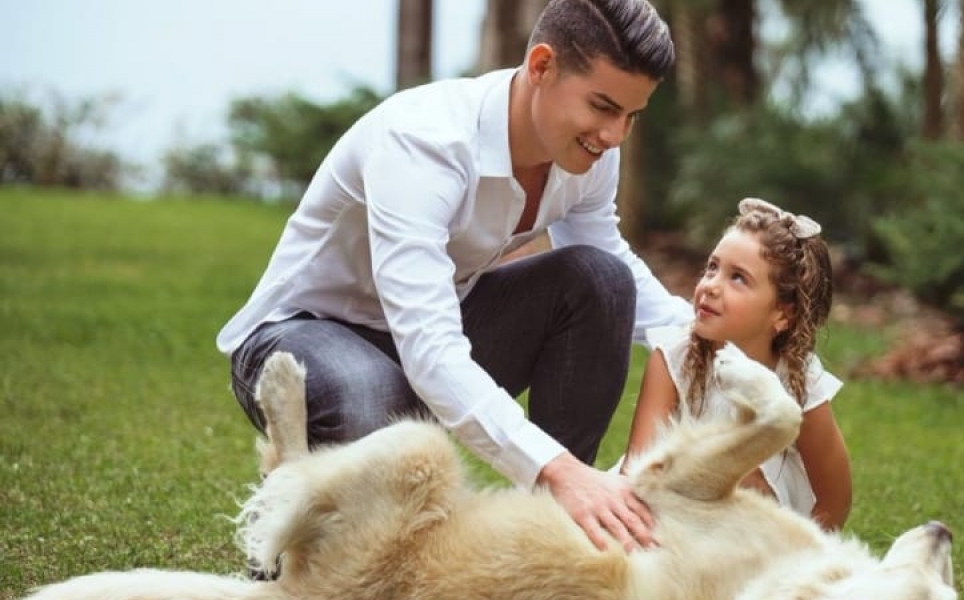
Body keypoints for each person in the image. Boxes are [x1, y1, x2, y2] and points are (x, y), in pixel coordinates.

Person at [216, 0, 692, 554]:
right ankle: (289, 540)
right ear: (541, 67)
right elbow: (430, 349)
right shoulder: (423, 143)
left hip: (430, 330)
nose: (615, 136)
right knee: (371, 395)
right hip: (302, 337)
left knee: (602, 281)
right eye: (604, 107)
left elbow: (608, 262)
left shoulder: (588, 149)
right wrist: (552, 468)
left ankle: (558, 540)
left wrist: (718, 337)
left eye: (632, 115)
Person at [616, 197, 853, 531]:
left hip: (753, 531)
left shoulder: (800, 381)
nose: (711, 286)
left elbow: (834, 497)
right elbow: (638, 473)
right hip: (671, 516)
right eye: (712, 268)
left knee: (746, 467)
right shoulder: (673, 356)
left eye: (738, 278)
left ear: (782, 314)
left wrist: (802, 559)